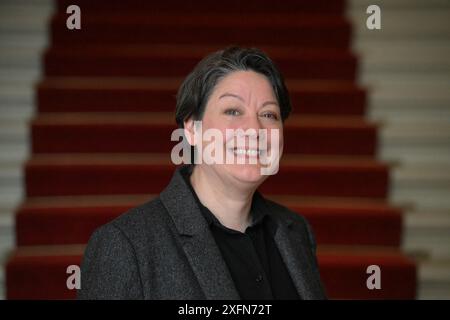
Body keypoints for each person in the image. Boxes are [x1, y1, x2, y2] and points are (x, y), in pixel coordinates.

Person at [78, 47, 326, 300]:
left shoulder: (296, 231)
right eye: (233, 111)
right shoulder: (124, 245)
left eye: (268, 114)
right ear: (192, 128)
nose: (254, 128)